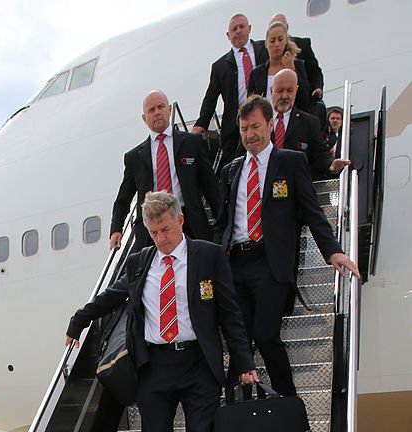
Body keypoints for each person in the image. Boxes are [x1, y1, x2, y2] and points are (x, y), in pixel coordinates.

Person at [67, 191, 259, 432]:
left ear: (180, 220)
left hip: (199, 365)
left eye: (166, 229)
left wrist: (244, 362)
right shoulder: (141, 262)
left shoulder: (208, 256)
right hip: (156, 366)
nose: (161, 239)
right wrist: (80, 318)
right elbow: (113, 296)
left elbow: (230, 314)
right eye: (154, 232)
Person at [217, 96, 360, 396]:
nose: (249, 134)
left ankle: (289, 402)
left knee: (266, 335)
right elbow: (224, 221)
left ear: (270, 124)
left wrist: (333, 250)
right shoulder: (232, 170)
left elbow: (312, 211)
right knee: (238, 342)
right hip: (236, 265)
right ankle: (234, 413)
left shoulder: (290, 162)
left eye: (255, 126)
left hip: (270, 262)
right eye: (244, 129)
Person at [110, 90, 220, 253]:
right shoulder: (135, 157)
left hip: (188, 223)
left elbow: (211, 187)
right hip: (152, 231)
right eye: (151, 110)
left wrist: (223, 224)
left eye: (160, 107)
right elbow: (123, 198)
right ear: (144, 118)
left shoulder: (192, 143)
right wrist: (116, 229)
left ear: (169, 109)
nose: (157, 113)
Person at [192, 13, 267, 168]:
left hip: (264, 117)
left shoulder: (266, 50)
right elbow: (210, 97)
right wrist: (201, 124)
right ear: (228, 35)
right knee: (234, 168)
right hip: (234, 127)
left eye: (241, 27)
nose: (238, 31)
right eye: (234, 29)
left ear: (249, 28)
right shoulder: (220, 66)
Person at [271, 69, 349, 179]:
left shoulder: (309, 123)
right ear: (271, 90)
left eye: (289, 91)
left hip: (296, 188)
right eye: (280, 90)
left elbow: (320, 155)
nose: (284, 96)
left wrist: (331, 165)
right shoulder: (260, 120)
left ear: (296, 90)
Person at [247, 20, 311, 114]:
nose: (276, 45)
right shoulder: (257, 73)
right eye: (272, 41)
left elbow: (305, 99)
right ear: (266, 44)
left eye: (280, 39)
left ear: (286, 40)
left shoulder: (298, 65)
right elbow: (251, 105)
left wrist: (292, 70)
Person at [270, 10, 324, 100]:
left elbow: (314, 70)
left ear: (287, 27)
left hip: (300, 96)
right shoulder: (265, 51)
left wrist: (317, 88)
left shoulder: (303, 45)